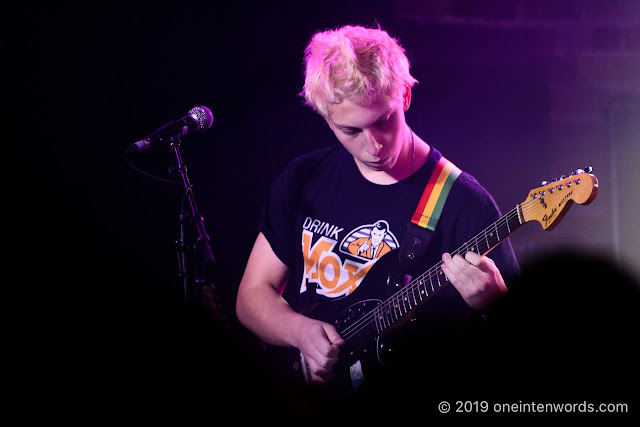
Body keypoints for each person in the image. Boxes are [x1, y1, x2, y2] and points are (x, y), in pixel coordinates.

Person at [236, 25, 520, 390]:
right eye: (351, 131)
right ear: (326, 118)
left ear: (404, 96)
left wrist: (493, 302)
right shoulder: (304, 179)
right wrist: (301, 333)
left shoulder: (465, 203)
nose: (374, 147)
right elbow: (251, 296)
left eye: (383, 122)